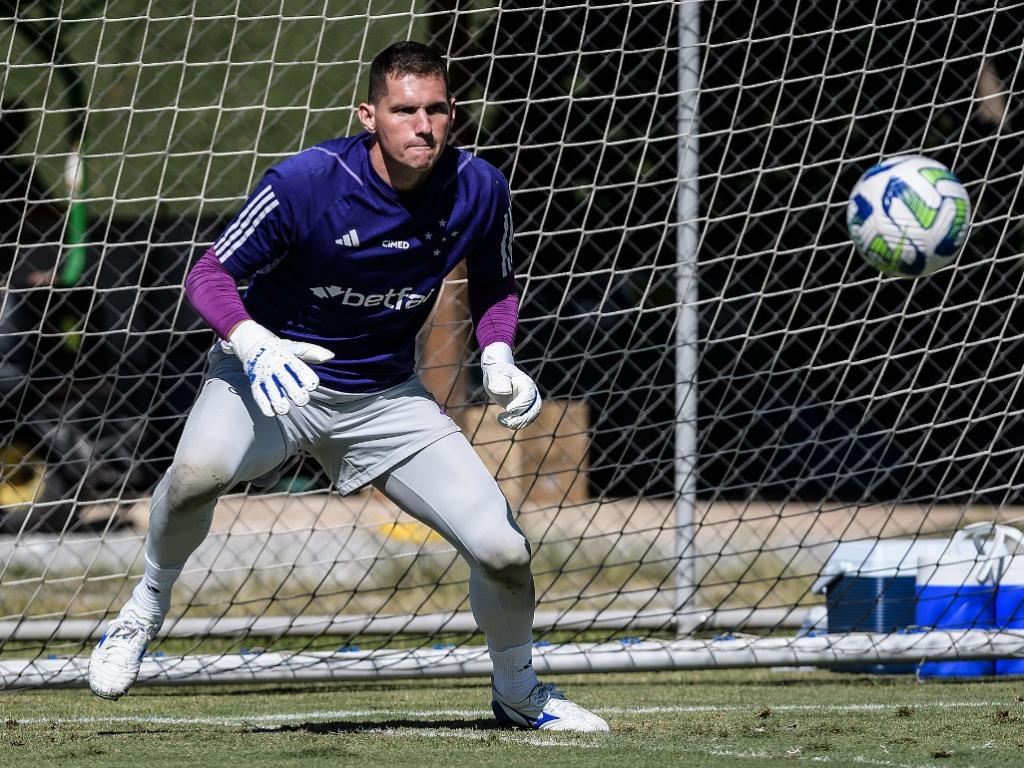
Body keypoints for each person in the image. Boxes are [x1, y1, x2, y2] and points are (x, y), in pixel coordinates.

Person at [87, 41, 608, 733]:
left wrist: (500, 354)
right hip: (271, 380)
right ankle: (144, 609)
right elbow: (208, 275)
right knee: (196, 475)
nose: (423, 126)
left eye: (437, 110)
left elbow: (495, 285)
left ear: (452, 114)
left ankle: (518, 693)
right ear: (369, 115)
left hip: (387, 398)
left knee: (504, 551)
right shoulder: (306, 181)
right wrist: (254, 342)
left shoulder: (481, 187)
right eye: (404, 111)